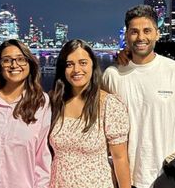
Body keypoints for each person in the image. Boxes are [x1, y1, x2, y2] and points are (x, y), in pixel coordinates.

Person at [103, 5, 175, 188]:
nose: (141, 37)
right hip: (124, 178)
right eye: (134, 32)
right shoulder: (112, 75)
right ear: (126, 36)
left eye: (147, 30)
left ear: (157, 34)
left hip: (166, 176)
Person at [49, 39, 130, 188]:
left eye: (83, 62)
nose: (76, 69)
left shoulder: (109, 104)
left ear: (93, 65)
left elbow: (120, 158)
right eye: (69, 64)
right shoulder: (54, 102)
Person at [0, 39, 51, 188]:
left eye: (21, 59)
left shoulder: (40, 102)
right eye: (7, 60)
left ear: (29, 63)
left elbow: (42, 157)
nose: (14, 65)